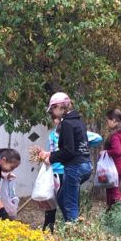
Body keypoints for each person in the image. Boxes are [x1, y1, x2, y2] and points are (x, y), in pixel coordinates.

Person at [40, 93, 92, 223]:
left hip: (75, 167)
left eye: (52, 110)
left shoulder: (67, 123)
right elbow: (75, 148)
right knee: (62, 197)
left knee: (70, 205)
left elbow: (68, 151)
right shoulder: (78, 121)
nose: (52, 114)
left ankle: (73, 231)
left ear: (59, 106)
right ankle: (69, 224)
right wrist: (51, 155)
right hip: (85, 165)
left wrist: (51, 158)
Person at [42, 93, 69, 233]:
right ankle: (50, 226)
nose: (56, 122)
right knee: (52, 199)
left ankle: (61, 226)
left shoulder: (66, 131)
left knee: (59, 200)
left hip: (61, 171)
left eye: (56, 120)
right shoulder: (53, 134)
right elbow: (50, 152)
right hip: (56, 170)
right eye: (54, 120)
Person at [101, 109, 121, 210]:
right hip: (118, 166)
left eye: (108, 120)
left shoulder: (115, 136)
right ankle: (110, 214)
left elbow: (117, 151)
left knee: (114, 193)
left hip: (113, 167)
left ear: (114, 120)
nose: (107, 122)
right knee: (110, 192)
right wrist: (118, 156)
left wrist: (105, 152)